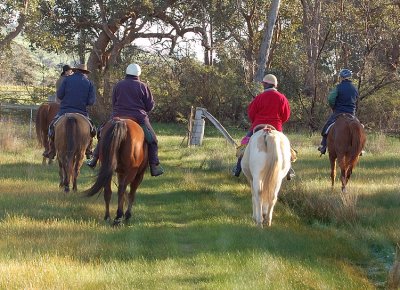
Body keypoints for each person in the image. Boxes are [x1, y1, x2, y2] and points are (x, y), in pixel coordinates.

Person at [86, 63, 164, 177]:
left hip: (117, 115)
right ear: (139, 74)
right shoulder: (143, 86)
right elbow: (150, 106)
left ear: (127, 72)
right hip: (138, 117)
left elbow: (113, 102)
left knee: (103, 134)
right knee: (152, 140)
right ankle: (154, 165)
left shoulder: (118, 85)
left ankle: (94, 159)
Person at [233, 74, 295, 178]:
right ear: (275, 85)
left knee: (244, 145)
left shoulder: (259, 97)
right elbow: (286, 115)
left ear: (266, 84)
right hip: (276, 127)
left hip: (257, 126)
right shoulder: (282, 98)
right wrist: (279, 123)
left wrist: (255, 122)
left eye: (263, 83)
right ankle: (289, 170)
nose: (263, 85)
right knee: (286, 146)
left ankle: (238, 168)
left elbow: (251, 113)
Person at [43, 63, 96, 159]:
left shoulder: (67, 79)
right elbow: (91, 101)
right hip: (81, 112)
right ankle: (88, 149)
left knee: (52, 127)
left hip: (64, 111)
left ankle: (52, 150)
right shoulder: (89, 83)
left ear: (75, 71)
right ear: (85, 72)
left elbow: (59, 95)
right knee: (92, 130)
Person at [317, 68, 358, 155]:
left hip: (339, 112)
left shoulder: (338, 87)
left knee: (326, 127)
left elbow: (331, 99)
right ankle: (360, 148)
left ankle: (323, 145)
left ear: (341, 77)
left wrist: (333, 107)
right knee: (359, 127)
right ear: (350, 77)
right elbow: (356, 100)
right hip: (351, 113)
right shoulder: (355, 88)